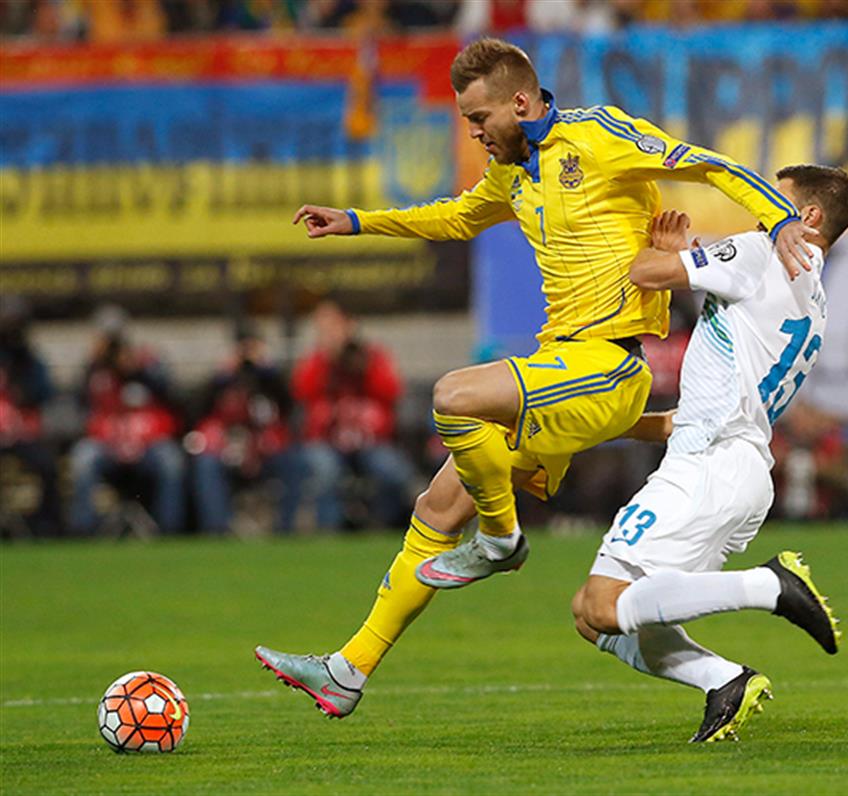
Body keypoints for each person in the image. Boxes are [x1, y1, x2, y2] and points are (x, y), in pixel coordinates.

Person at [255, 37, 818, 718]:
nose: (473, 132)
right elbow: (457, 216)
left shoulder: (599, 136)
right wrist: (356, 222)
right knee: (437, 506)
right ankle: (348, 669)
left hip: (608, 364)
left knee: (453, 398)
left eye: (478, 118)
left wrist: (780, 215)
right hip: (566, 369)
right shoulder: (513, 173)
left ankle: (499, 540)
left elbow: (705, 164)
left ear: (520, 102)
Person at [571, 164, 848, 743]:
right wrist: (608, 428)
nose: (760, 203)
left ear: (808, 217)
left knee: (604, 604)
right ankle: (725, 681)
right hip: (736, 464)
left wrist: (666, 251)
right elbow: (690, 413)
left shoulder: (764, 251)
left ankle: (768, 587)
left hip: (709, 466)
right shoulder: (812, 292)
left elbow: (645, 272)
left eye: (775, 197)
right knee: (600, 619)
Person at [292, 300, 415, 530]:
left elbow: (391, 391)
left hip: (372, 441)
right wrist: (326, 360)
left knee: (392, 472)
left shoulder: (373, 356)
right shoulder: (315, 361)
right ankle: (329, 531)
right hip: (326, 441)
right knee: (324, 469)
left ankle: (384, 526)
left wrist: (362, 365)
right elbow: (302, 391)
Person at [69, 306, 184, 536]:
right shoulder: (94, 370)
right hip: (107, 444)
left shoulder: (146, 362)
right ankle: (82, 530)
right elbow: (78, 405)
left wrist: (139, 369)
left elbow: (173, 399)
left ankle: (171, 531)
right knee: (83, 457)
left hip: (147, 443)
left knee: (171, 459)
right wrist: (94, 364)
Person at [188, 323, 302, 535]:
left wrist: (268, 371)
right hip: (228, 450)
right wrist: (222, 375)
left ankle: (286, 530)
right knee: (206, 464)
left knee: (293, 462)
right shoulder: (222, 381)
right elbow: (194, 411)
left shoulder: (271, 379)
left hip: (266, 450)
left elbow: (291, 406)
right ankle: (217, 530)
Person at [0, 296, 62, 536]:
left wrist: (22, 369)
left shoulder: (29, 360)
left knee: (47, 466)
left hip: (21, 433)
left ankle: (47, 526)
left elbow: (44, 394)